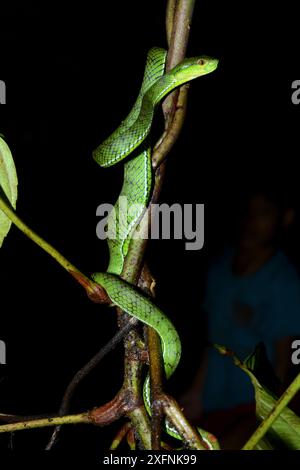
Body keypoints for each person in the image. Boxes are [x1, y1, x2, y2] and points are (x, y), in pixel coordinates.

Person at [180, 186, 300, 449]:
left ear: (285, 218)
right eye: (248, 211)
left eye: (264, 212)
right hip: (211, 401)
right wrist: (196, 393)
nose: (252, 220)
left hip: (251, 407)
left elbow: (284, 364)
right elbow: (213, 340)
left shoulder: (285, 282)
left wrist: (262, 421)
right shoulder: (220, 268)